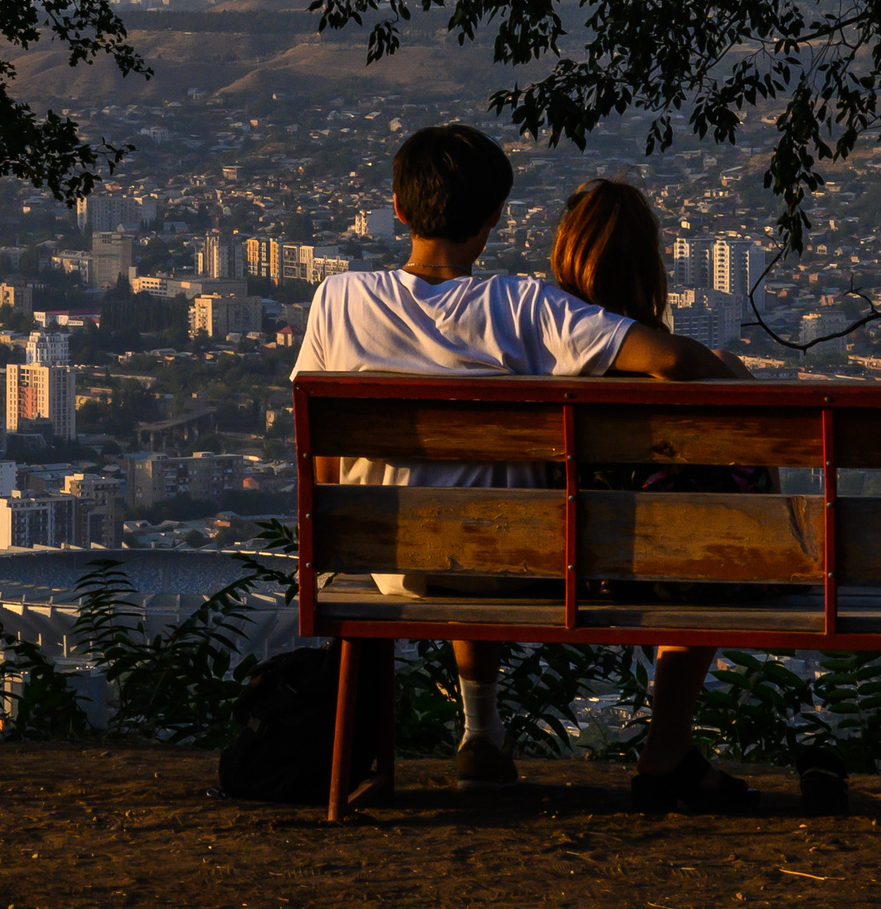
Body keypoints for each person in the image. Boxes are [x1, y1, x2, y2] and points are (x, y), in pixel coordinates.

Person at [291, 125, 750, 803]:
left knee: (450, 520)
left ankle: (481, 728)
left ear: (397, 207)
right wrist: (732, 372)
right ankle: (653, 744)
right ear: (493, 219)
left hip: (386, 561)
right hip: (524, 562)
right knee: (482, 519)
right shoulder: (524, 305)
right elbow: (676, 362)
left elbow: (321, 448)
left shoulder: (337, 299)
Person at [546, 176, 761, 814]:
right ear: (651, 268)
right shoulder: (695, 365)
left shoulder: (531, 348)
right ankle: (666, 746)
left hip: (552, 564)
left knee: (682, 553)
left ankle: (483, 735)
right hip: (673, 571)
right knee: (697, 555)